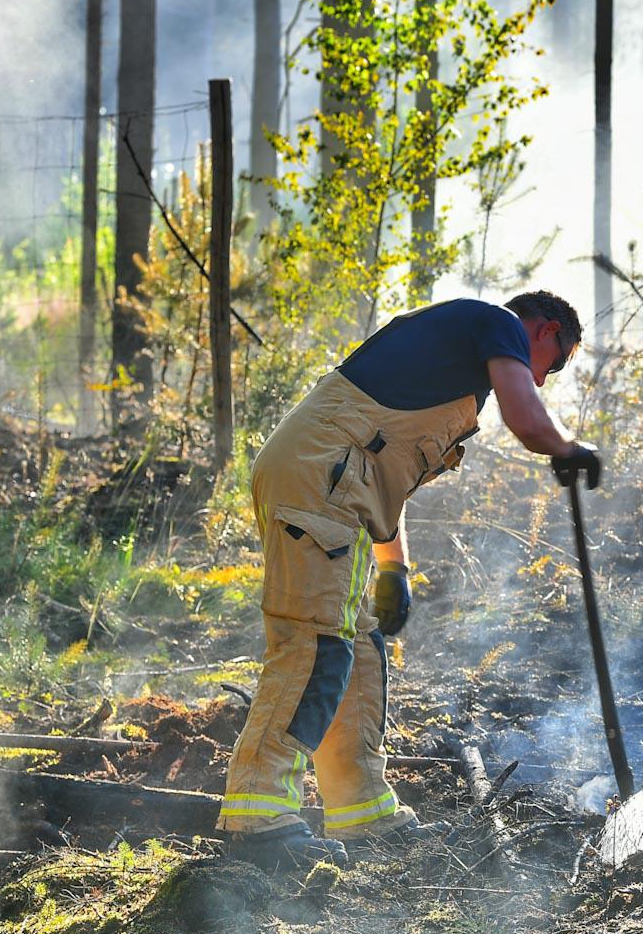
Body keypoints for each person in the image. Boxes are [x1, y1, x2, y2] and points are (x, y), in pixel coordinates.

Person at [222, 291, 601, 869]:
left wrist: (394, 567)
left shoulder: (453, 371)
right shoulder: (498, 323)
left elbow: (380, 476)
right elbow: (527, 420)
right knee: (315, 643)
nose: (544, 379)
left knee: (359, 646)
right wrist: (568, 449)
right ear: (544, 330)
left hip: (333, 485)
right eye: (557, 362)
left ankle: (359, 809)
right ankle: (257, 815)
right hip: (315, 481)